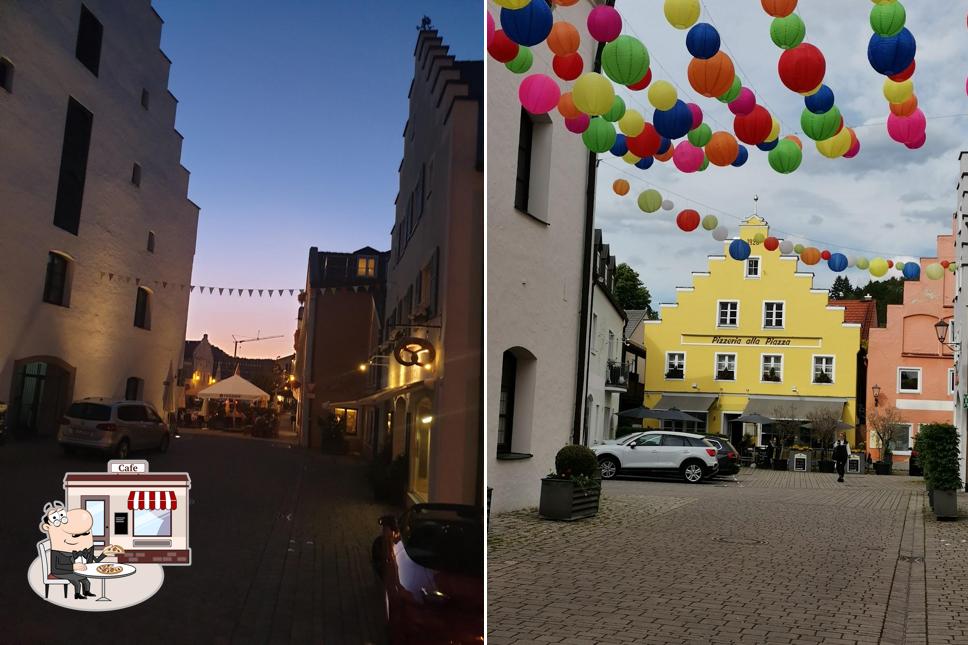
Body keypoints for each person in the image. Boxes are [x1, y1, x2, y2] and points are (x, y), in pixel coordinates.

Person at [38, 502, 121, 600]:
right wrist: (72, 567)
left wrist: (104, 554)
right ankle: (77, 595)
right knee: (76, 581)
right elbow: (56, 567)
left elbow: (94, 562)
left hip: (75, 570)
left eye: (86, 533)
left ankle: (87, 592)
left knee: (86, 581)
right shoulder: (58, 552)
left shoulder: (86, 550)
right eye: (75, 535)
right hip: (61, 572)